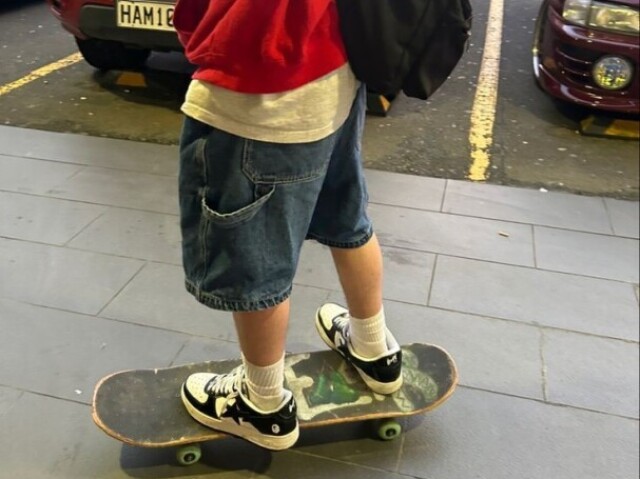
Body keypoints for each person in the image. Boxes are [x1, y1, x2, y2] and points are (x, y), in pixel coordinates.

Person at [173, 0, 403, 451]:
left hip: (258, 93)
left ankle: (261, 405)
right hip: (336, 72)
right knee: (347, 216)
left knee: (255, 256)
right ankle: (374, 349)